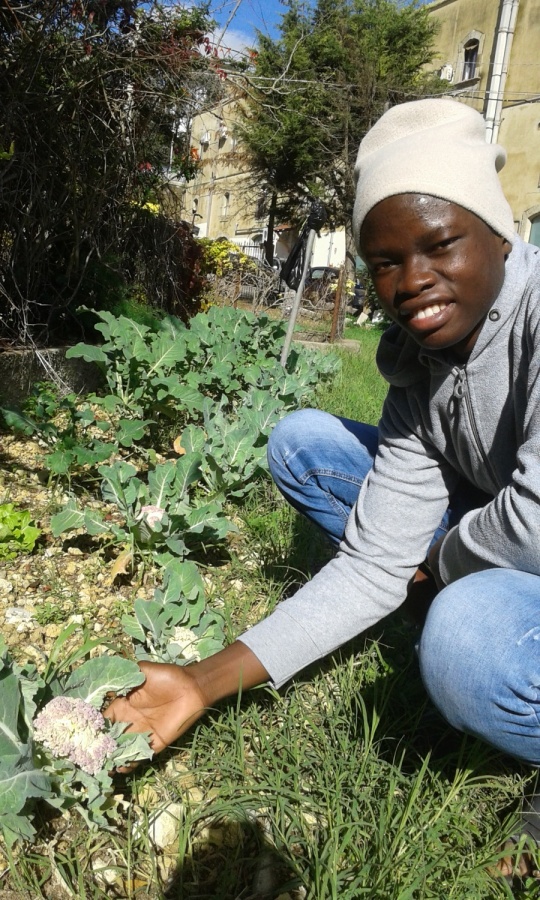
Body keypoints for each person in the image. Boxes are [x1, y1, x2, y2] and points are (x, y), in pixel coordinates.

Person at [107, 98, 540, 880]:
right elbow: (373, 560)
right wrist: (203, 682)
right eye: (383, 261)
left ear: (500, 234)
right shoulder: (419, 361)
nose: (411, 283)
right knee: (307, 445)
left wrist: (439, 561)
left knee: (468, 636)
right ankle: (436, 608)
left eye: (440, 244)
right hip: (493, 526)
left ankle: (457, 630)